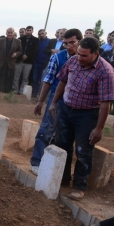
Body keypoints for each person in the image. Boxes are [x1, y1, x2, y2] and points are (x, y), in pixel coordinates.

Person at [50, 37, 114, 201]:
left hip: (87, 115)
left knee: (83, 151)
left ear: (95, 54)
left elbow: (105, 103)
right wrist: (53, 103)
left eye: (84, 56)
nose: (79, 58)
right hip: (66, 108)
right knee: (62, 144)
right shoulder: (72, 61)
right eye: (79, 54)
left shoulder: (105, 71)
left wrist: (99, 128)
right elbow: (62, 82)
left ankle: (79, 186)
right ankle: (63, 178)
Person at [30, 29, 82, 174]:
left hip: (77, 102)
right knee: (47, 129)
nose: (69, 46)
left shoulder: (85, 58)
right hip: (57, 98)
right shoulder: (58, 57)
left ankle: (56, 168)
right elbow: (48, 79)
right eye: (65, 43)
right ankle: (37, 162)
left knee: (64, 135)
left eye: (72, 42)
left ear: (79, 41)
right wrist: (41, 101)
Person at [0, 28, 23, 93]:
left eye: (11, 33)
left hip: (11, 63)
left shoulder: (18, 41)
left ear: (13, 33)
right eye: (8, 32)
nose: (10, 34)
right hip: (0, 62)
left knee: (9, 78)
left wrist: (16, 54)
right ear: (6, 33)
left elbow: (20, 51)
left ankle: (7, 92)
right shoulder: (0, 40)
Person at [14, 25, 39, 94]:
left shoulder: (36, 40)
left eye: (30, 30)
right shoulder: (20, 39)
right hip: (19, 60)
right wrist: (21, 55)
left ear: (32, 31)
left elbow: (35, 50)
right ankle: (15, 90)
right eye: (27, 30)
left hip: (29, 62)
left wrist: (27, 56)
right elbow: (17, 49)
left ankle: (22, 91)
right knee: (16, 77)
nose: (28, 32)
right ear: (25, 31)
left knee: (25, 78)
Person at [32, 29, 50, 98]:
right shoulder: (37, 41)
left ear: (46, 33)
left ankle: (41, 94)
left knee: (42, 80)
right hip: (37, 62)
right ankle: (34, 93)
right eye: (39, 34)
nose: (41, 35)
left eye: (42, 33)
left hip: (45, 63)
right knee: (35, 78)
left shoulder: (49, 41)